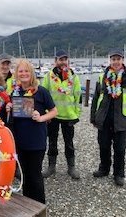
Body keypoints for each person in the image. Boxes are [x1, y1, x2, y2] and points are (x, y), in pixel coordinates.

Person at [6, 59, 57, 203]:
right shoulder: (14, 92)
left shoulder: (41, 91)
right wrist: (9, 107)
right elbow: (12, 115)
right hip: (19, 140)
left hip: (36, 140)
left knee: (35, 175)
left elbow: (54, 111)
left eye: (26, 71)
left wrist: (41, 118)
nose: (23, 74)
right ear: (16, 74)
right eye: (20, 71)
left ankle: (40, 206)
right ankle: (27, 204)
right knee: (25, 175)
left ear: (32, 73)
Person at [90, 49, 126, 186]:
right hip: (104, 118)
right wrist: (93, 117)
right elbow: (95, 98)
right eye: (113, 59)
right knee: (104, 146)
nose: (116, 62)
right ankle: (104, 169)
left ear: (122, 60)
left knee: (120, 149)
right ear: (109, 61)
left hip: (122, 120)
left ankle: (119, 174)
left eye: (118, 59)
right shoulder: (102, 77)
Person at [41, 49, 82, 179]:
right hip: (53, 116)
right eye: (60, 59)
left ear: (67, 61)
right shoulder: (48, 76)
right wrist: (46, 114)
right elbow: (43, 95)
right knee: (52, 141)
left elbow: (78, 97)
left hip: (69, 116)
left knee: (69, 142)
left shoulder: (74, 76)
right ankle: (51, 167)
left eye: (65, 59)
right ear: (55, 61)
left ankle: (71, 167)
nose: (63, 62)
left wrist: (77, 114)